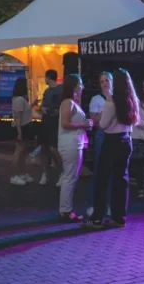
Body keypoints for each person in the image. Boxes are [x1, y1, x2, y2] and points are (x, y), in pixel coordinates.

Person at [87, 69, 139, 229]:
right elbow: (135, 121)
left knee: (101, 180)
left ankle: (97, 218)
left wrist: (102, 116)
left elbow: (103, 125)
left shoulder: (111, 101)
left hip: (112, 141)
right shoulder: (132, 99)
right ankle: (119, 217)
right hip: (126, 140)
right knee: (121, 180)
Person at [56, 74, 92, 222]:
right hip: (70, 144)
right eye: (80, 84)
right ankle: (66, 210)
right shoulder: (68, 103)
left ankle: (66, 209)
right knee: (70, 176)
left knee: (70, 176)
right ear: (74, 86)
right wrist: (84, 124)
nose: (82, 87)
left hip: (73, 143)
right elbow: (65, 123)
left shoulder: (72, 102)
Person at [86, 72, 113, 216]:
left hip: (115, 135)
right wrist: (107, 109)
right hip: (101, 135)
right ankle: (93, 205)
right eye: (102, 81)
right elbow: (94, 120)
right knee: (98, 171)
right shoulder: (96, 99)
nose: (104, 83)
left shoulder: (118, 97)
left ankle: (110, 205)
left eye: (107, 80)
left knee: (113, 173)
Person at [39, 70, 64, 186]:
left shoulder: (61, 90)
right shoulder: (46, 91)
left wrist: (58, 112)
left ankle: (62, 174)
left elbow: (64, 106)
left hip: (55, 123)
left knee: (54, 149)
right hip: (45, 122)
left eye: (45, 78)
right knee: (44, 149)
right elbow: (42, 106)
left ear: (48, 78)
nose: (45, 80)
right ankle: (44, 174)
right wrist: (43, 109)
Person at [11, 77, 34, 185]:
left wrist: (32, 105)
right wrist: (19, 132)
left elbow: (24, 112)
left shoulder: (20, 99)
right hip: (21, 127)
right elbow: (18, 118)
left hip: (24, 126)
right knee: (19, 151)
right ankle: (14, 176)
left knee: (23, 152)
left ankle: (22, 173)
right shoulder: (19, 99)